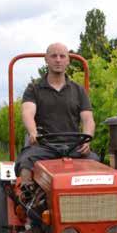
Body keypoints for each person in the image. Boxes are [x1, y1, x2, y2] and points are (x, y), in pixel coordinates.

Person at [15, 42, 97, 186]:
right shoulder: (34, 89)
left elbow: (88, 119)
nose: (58, 59)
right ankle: (28, 200)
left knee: (96, 162)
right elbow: (27, 113)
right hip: (44, 146)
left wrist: (87, 140)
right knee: (26, 162)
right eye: (53, 56)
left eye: (62, 56)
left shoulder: (78, 90)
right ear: (46, 59)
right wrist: (33, 132)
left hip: (73, 146)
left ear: (68, 61)